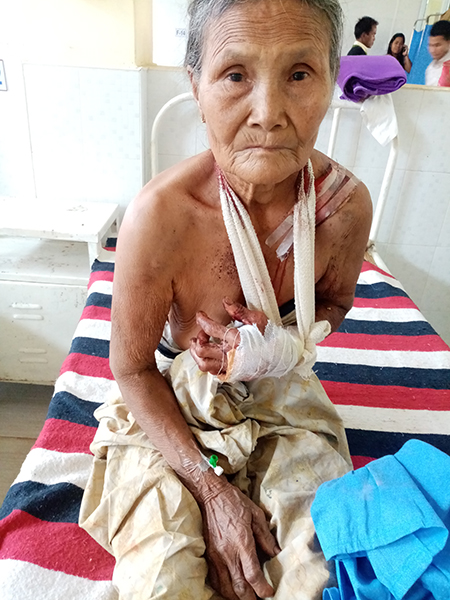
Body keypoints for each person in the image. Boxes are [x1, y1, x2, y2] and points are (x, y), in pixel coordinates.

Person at [79, 1, 373, 599]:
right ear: (196, 85)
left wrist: (281, 348)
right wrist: (211, 488)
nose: (269, 116)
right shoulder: (161, 217)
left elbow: (334, 304)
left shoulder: (342, 209)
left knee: (318, 573)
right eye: (236, 75)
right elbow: (131, 369)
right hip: (169, 412)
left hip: (282, 405)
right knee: (164, 580)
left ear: (331, 78)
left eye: (298, 73)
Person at [426, 20, 450, 86]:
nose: (433, 50)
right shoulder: (430, 68)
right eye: (430, 45)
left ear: (448, 42)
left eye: (437, 45)